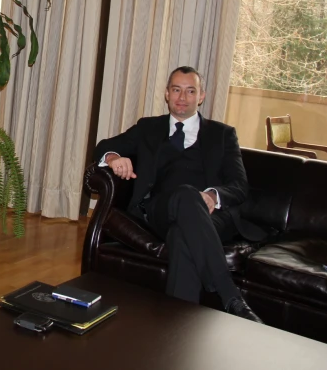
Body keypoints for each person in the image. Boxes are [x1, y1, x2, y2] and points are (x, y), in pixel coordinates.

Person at [94, 66, 263, 323]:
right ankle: (230, 296)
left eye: (190, 91)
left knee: (183, 236)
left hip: (209, 216)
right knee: (185, 194)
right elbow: (103, 147)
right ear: (166, 94)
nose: (182, 97)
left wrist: (212, 195)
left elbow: (240, 184)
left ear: (201, 96)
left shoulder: (223, 135)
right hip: (159, 210)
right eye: (176, 90)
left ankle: (175, 330)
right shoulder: (148, 127)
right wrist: (114, 157)